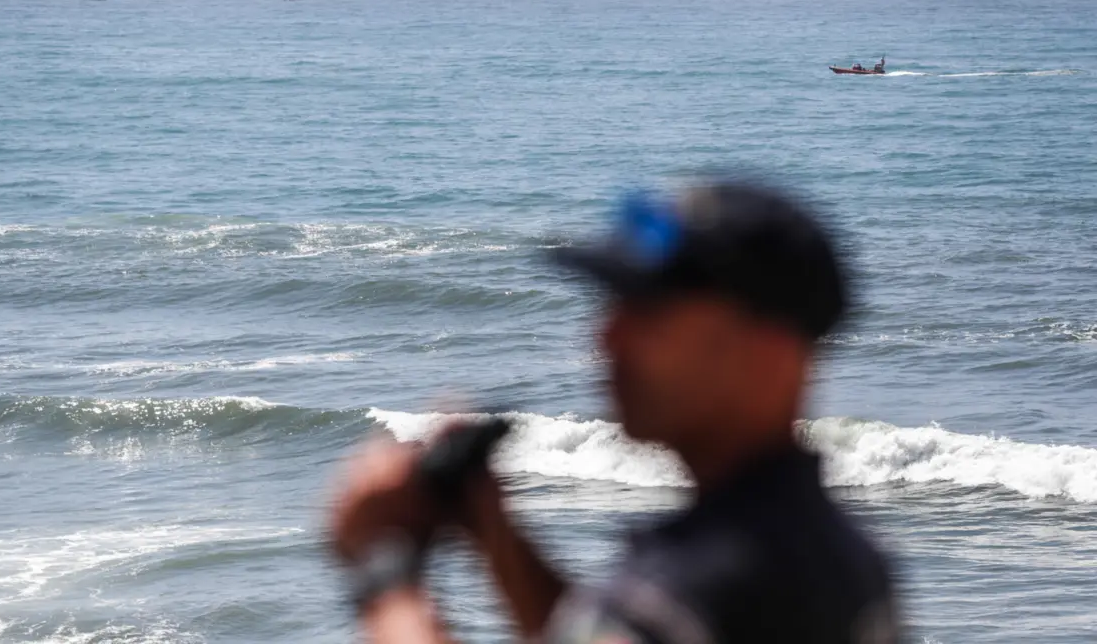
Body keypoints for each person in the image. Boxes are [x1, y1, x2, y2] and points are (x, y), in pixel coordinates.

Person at [330, 178, 902, 643]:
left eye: (648, 314)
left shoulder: (714, 579)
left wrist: (385, 574)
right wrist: (492, 528)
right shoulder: (828, 550)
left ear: (769, 351)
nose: (606, 338)